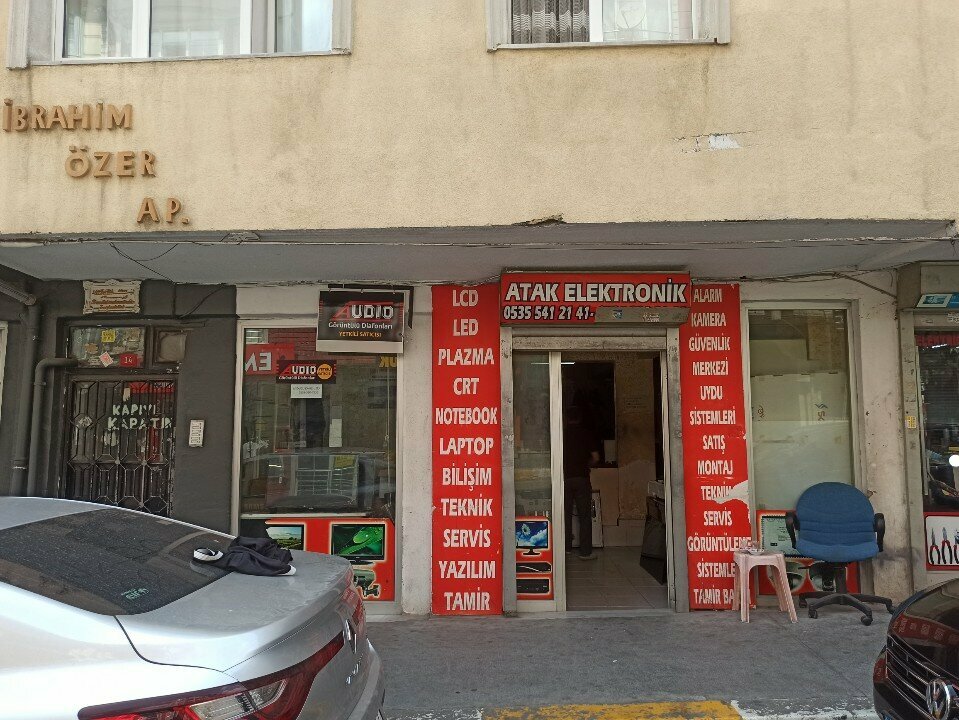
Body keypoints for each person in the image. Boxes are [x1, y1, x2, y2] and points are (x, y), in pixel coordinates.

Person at [563, 391, 602, 561]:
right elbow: (596, 457)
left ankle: (566, 548)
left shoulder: (562, 435)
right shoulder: (586, 434)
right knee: (585, 516)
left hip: (564, 479)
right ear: (579, 418)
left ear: (566, 418)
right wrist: (586, 465)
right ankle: (585, 552)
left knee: (564, 515)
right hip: (582, 479)